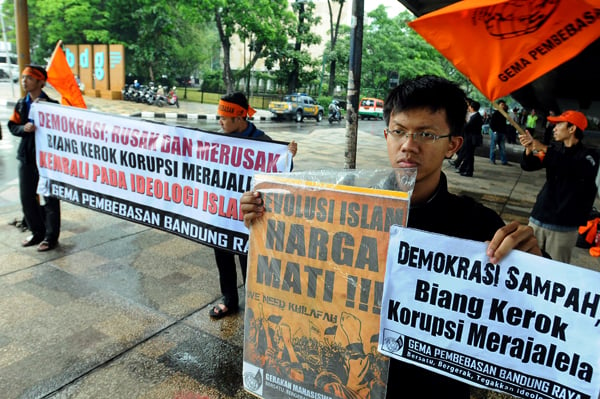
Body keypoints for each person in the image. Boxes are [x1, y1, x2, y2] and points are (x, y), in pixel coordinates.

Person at [240, 75, 542, 398]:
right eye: (399, 131)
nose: (408, 145)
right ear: (387, 135)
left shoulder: (478, 226)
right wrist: (267, 222)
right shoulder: (346, 210)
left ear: (453, 144)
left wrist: (534, 264)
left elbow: (532, 322)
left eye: (426, 134)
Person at [210, 91, 297, 319]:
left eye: (223, 117)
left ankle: (255, 302)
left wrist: (288, 157)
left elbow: (280, 173)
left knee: (249, 260)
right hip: (222, 214)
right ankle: (229, 298)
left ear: (239, 117)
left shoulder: (263, 142)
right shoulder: (218, 141)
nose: (220, 121)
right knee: (223, 256)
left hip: (249, 217)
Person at [519, 110, 599, 263]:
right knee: (527, 265)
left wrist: (543, 148)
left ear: (572, 129)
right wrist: (529, 149)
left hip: (563, 225)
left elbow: (574, 168)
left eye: (559, 124)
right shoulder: (556, 150)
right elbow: (529, 165)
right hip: (539, 218)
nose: (554, 128)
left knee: (554, 271)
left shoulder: (589, 156)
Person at [8, 65, 61, 251]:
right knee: (27, 197)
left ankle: (50, 237)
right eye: (23, 78)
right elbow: (12, 125)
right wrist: (24, 129)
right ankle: (36, 232)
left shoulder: (52, 106)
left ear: (41, 82)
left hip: (48, 161)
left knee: (50, 198)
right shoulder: (22, 104)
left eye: (29, 78)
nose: (24, 81)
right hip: (27, 158)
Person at [457, 100, 483, 177]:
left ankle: (469, 171)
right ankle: (464, 168)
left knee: (469, 155)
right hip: (470, 138)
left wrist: (463, 123)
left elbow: (467, 127)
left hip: (471, 139)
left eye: (469, 106)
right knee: (468, 155)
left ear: (472, 107)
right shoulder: (475, 116)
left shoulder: (475, 117)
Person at [489, 99, 509, 165]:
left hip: (502, 132)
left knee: (502, 147)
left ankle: (504, 161)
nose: (503, 106)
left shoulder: (504, 114)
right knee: (493, 147)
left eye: (504, 105)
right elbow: (491, 123)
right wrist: (494, 131)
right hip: (496, 132)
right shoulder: (496, 113)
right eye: (501, 105)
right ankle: (492, 159)